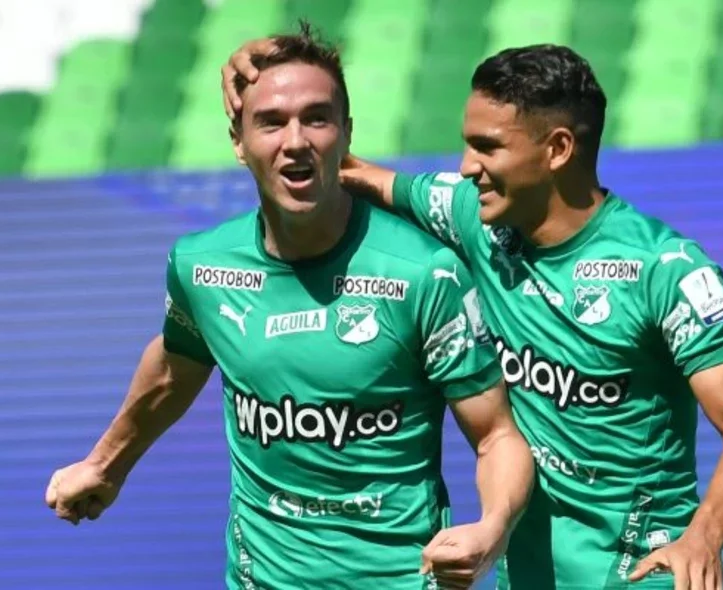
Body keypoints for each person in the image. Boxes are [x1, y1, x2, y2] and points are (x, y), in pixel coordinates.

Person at [223, 40, 723, 590]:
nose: (468, 168)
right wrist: (270, 66)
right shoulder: (475, 218)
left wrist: (704, 536)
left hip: (639, 573)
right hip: (526, 575)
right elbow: (336, 167)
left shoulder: (664, 269)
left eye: (488, 147)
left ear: (557, 149)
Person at [45, 23, 535, 590]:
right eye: (271, 122)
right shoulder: (200, 267)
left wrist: (492, 529)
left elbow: (497, 435)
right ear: (238, 141)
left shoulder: (426, 274)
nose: (295, 140)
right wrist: (105, 464)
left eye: (317, 118)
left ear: (346, 133)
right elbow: (174, 368)